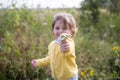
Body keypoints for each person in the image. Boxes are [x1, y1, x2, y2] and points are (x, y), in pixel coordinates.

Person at [31, 12, 78, 80]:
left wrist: (65, 48)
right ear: (53, 30)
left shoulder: (69, 42)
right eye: (57, 28)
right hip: (57, 77)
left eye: (64, 28)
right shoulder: (52, 44)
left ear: (72, 31)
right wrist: (39, 62)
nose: (60, 31)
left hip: (69, 77)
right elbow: (50, 58)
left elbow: (69, 49)